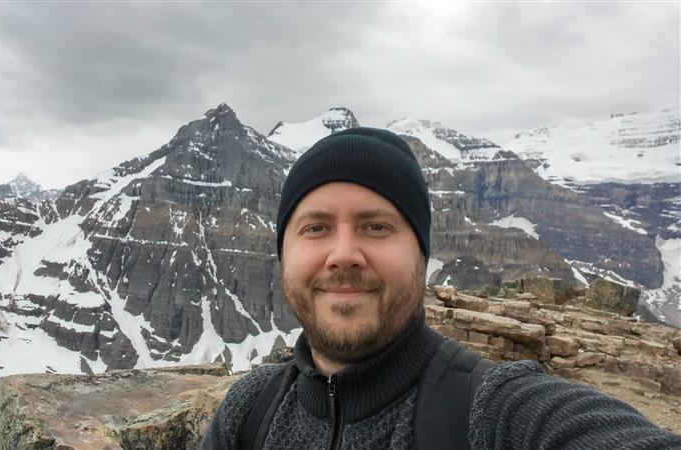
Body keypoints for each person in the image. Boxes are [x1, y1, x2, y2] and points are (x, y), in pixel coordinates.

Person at [201, 127, 681, 449]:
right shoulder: (247, 413)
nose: (343, 254)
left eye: (376, 226)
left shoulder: (492, 410)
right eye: (316, 228)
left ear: (423, 255)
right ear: (283, 254)